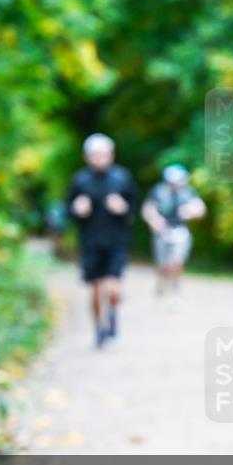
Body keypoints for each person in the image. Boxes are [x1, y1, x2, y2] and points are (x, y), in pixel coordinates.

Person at [66, 133, 138, 348]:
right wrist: (77, 209)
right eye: (96, 155)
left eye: (104, 154)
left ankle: (113, 312)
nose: (100, 159)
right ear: (87, 157)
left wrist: (123, 208)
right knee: (96, 290)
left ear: (112, 155)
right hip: (90, 242)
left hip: (116, 241)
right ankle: (99, 328)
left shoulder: (122, 178)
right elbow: (67, 210)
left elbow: (134, 209)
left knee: (113, 288)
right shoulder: (80, 181)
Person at [142, 164, 206, 297]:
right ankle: (162, 282)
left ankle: (175, 289)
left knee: (177, 262)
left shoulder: (188, 192)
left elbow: (200, 208)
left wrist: (192, 211)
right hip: (162, 232)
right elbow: (148, 208)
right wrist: (154, 219)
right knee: (163, 265)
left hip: (180, 231)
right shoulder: (159, 191)